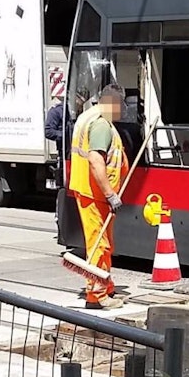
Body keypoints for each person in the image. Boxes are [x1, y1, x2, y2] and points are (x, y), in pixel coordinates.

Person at [68, 84, 129, 310]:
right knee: (99, 244)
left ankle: (105, 286)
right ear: (113, 103)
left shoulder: (88, 116)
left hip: (90, 191)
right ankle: (96, 296)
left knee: (103, 243)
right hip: (95, 194)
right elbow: (95, 160)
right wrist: (110, 194)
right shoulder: (101, 124)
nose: (123, 109)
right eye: (122, 105)